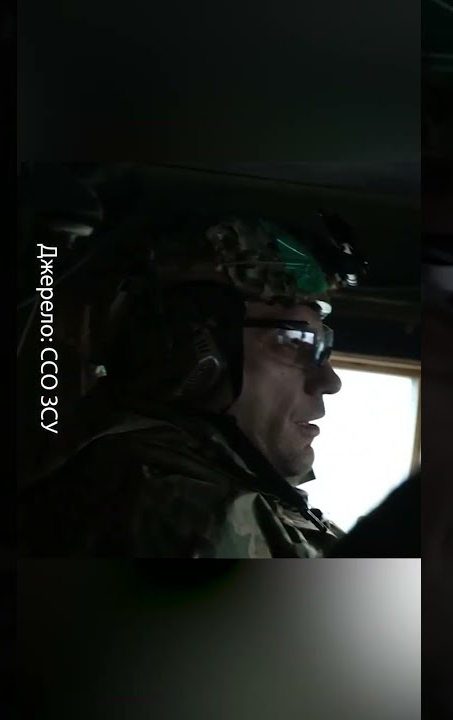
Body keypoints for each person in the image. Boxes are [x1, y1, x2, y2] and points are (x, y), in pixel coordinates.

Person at [18, 215, 364, 558]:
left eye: (323, 346)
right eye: (295, 341)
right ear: (186, 354)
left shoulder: (242, 490)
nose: (330, 381)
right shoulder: (170, 511)